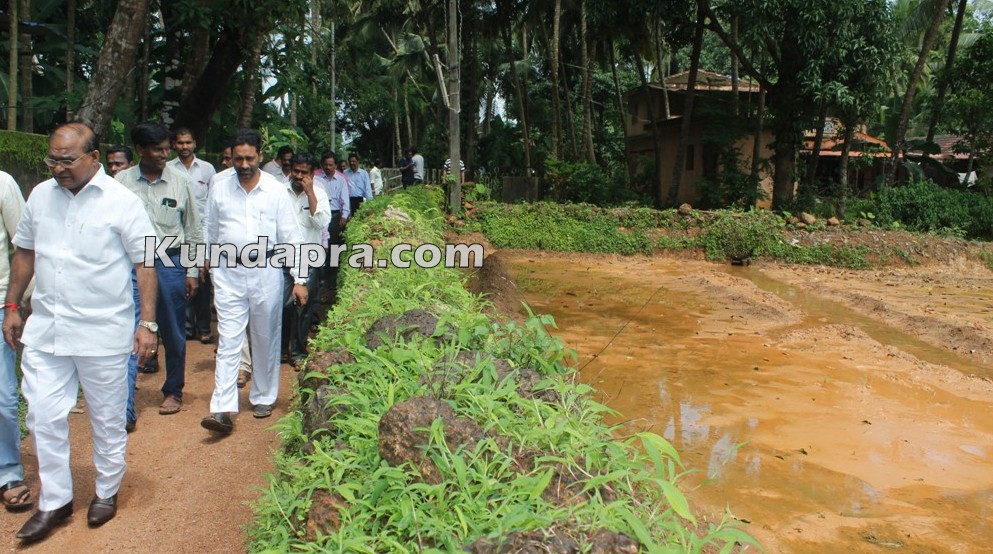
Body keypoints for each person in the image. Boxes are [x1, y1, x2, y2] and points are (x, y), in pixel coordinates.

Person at [3, 123, 157, 541]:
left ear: (93, 156)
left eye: (67, 160)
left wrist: (147, 323)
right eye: (52, 159)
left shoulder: (122, 203)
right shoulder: (39, 195)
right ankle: (55, 501)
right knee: (42, 415)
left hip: (102, 333)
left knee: (107, 419)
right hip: (48, 329)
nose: (57, 168)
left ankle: (106, 489)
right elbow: (25, 252)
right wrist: (13, 305)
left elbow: (145, 263)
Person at [201, 129, 308, 433]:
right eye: (238, 158)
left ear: (260, 156)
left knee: (265, 336)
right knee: (229, 338)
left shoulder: (275, 190)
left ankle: (263, 396)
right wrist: (207, 265)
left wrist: (299, 278)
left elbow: (292, 237)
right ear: (231, 158)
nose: (244, 164)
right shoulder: (219, 186)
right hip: (227, 271)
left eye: (249, 158)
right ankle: (222, 407)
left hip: (267, 271)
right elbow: (210, 227)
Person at [117, 122, 202, 418]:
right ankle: (126, 406)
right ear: (140, 150)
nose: (165, 154)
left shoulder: (181, 182)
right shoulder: (120, 183)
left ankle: (173, 390)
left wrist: (191, 271)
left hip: (169, 263)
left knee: (173, 330)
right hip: (130, 265)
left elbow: (192, 230)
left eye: (167, 148)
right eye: (158, 149)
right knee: (129, 330)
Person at [0, 170, 31, 512]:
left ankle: (7, 470)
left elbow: (25, 245)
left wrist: (21, 303)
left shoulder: (3, 183)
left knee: (4, 398)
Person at [167, 127, 216, 345]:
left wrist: (207, 246)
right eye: (180, 143)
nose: (184, 147)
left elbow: (212, 205)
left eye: (188, 142)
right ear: (174, 145)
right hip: (177, 234)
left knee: (202, 283)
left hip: (201, 233)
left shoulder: (207, 169)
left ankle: (204, 327)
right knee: (180, 282)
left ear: (194, 143)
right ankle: (186, 328)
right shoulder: (167, 169)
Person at [283, 153, 330, 363]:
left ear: (312, 174)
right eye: (296, 171)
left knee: (303, 307)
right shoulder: (279, 192)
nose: (299, 176)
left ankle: (299, 353)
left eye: (304, 172)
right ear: (291, 170)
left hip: (309, 258)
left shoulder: (319, 193)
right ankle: (282, 350)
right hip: (282, 258)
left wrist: (310, 194)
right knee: (282, 306)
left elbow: (320, 223)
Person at [316, 152, 350, 305]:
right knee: (322, 247)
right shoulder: (317, 179)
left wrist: (344, 216)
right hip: (321, 216)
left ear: (335, 165)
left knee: (334, 248)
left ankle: (332, 281)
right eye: (326, 164)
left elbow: (345, 200)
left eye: (331, 165)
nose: (328, 167)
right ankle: (320, 279)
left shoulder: (341, 180)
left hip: (335, 216)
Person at [344, 152, 374, 217]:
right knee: (349, 220)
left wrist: (370, 203)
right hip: (349, 201)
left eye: (354, 161)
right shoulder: (345, 173)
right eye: (350, 161)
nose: (352, 163)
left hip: (360, 201)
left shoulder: (364, 173)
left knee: (360, 218)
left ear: (358, 161)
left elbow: (368, 189)